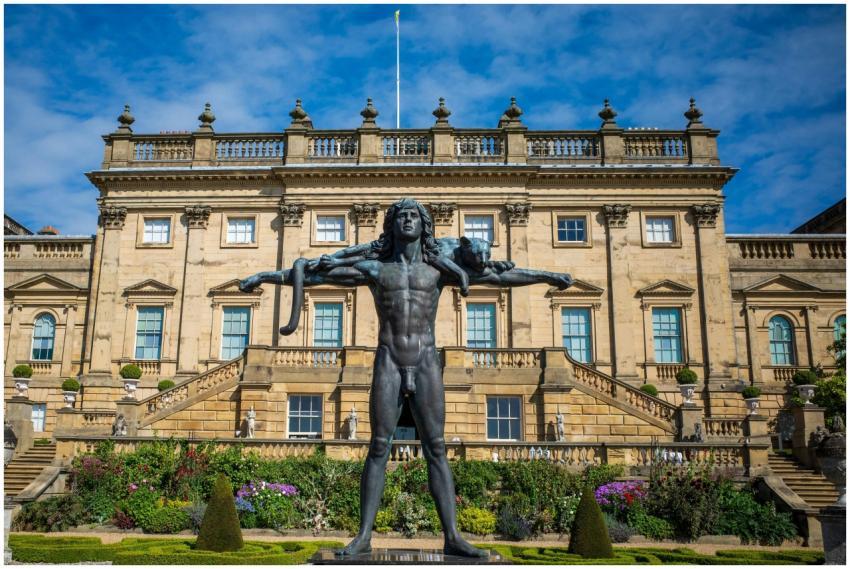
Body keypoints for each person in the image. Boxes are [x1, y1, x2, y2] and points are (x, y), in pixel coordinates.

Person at [239, 198, 572, 557]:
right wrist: (262, 276)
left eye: (415, 215)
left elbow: (501, 276)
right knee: (379, 446)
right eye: (402, 216)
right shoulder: (375, 270)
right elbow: (311, 275)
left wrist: (548, 276)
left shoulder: (438, 269)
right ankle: (364, 535)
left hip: (427, 360)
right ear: (392, 225)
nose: (409, 220)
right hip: (389, 360)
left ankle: (454, 537)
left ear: (424, 225)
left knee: (437, 448)